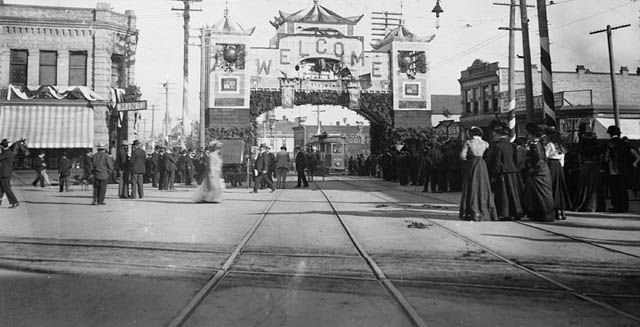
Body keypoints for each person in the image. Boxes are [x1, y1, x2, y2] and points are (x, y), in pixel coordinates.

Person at [459, 126, 497, 221]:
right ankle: (484, 211)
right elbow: (489, 155)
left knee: (471, 187)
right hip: (482, 165)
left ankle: (471, 212)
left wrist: (468, 161)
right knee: (483, 187)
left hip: (472, 165)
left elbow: (462, 156)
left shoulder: (468, 143)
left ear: (471, 134)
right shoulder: (485, 143)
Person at [487, 121, 523, 221]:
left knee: (504, 194)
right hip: (513, 172)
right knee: (513, 193)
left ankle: (505, 213)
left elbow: (497, 162)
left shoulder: (498, 146)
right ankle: (516, 212)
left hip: (503, 173)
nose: (493, 136)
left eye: (494, 134)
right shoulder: (512, 145)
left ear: (498, 135)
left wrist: (494, 174)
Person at [522, 123, 554, 221]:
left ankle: (544, 215)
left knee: (542, 193)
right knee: (543, 193)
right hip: (543, 171)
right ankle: (544, 214)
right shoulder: (540, 143)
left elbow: (538, 159)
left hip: (539, 172)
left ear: (531, 135)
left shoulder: (535, 145)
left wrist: (532, 169)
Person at [543, 127, 572, 220]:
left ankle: (554, 211)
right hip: (559, 166)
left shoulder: (550, 144)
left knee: (551, 187)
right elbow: (562, 159)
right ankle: (562, 212)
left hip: (551, 164)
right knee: (559, 187)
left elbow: (545, 155)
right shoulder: (560, 145)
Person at [572, 132, 605, 212]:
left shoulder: (582, 147)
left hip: (585, 167)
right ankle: (593, 205)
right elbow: (601, 159)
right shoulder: (598, 147)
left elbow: (579, 158)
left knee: (584, 186)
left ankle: (583, 204)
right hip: (595, 167)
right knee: (594, 186)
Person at [604, 125, 632, 212]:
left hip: (612, 170)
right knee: (623, 189)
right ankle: (624, 206)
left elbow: (606, 157)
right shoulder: (625, 143)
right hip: (624, 170)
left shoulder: (609, 143)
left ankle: (616, 207)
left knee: (614, 189)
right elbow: (629, 157)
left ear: (610, 134)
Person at [0, 139, 19, 208]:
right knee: (1, 188)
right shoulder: (9, 152)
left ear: (2, 146)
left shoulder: (6, 152)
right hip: (6, 172)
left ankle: (14, 202)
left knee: (7, 189)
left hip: (5, 173)